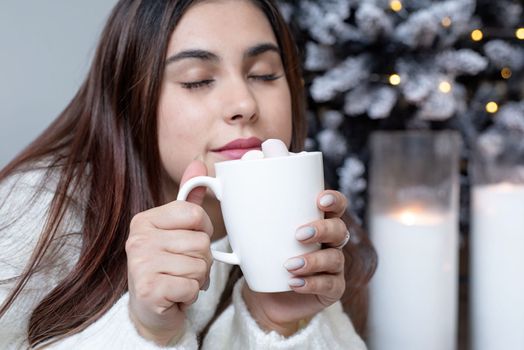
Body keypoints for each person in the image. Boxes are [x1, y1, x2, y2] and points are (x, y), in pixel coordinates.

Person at [0, 0, 376, 348]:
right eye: (197, 79)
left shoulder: (303, 241)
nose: (244, 104)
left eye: (263, 74)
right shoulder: (42, 212)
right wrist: (145, 330)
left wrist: (276, 323)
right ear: (132, 101)